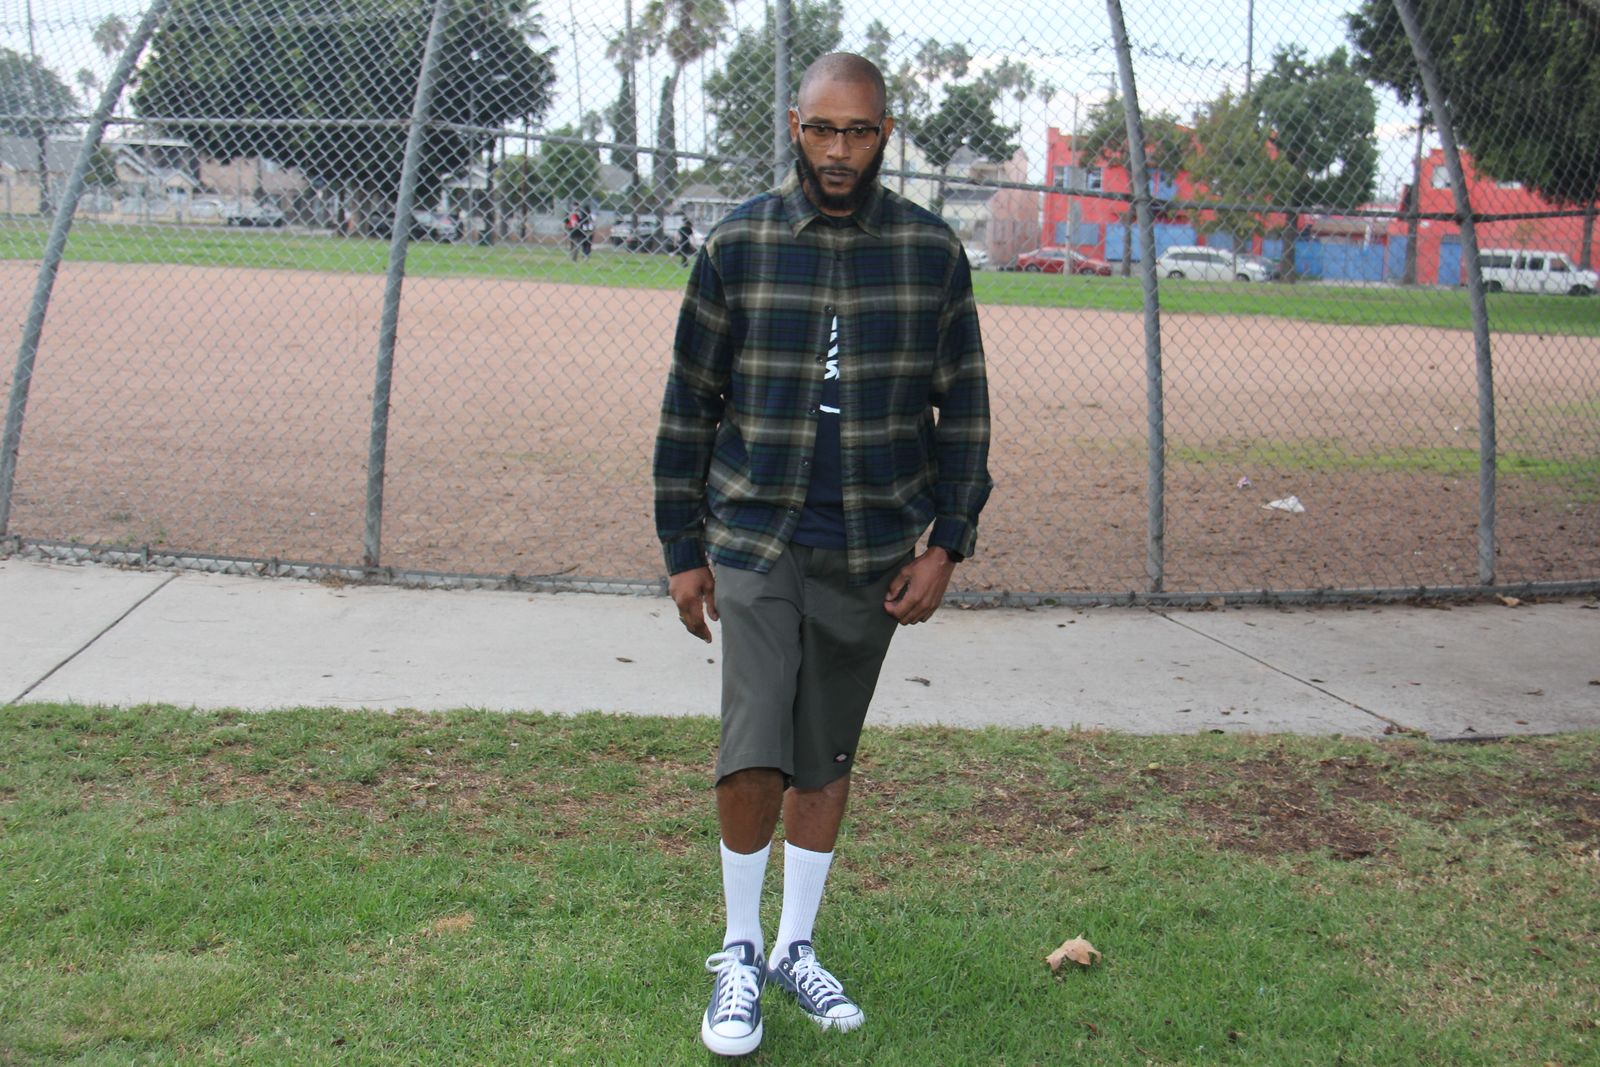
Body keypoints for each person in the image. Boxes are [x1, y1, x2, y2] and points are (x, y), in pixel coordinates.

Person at [652, 52, 992, 1058]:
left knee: (825, 751)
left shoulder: (929, 254)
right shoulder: (740, 243)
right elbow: (689, 402)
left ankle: (794, 945)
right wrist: (681, 544)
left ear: (885, 134)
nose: (839, 150)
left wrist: (947, 542)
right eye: (821, 129)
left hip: (871, 542)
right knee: (753, 740)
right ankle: (738, 948)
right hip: (756, 534)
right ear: (795, 128)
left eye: (859, 131)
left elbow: (966, 406)